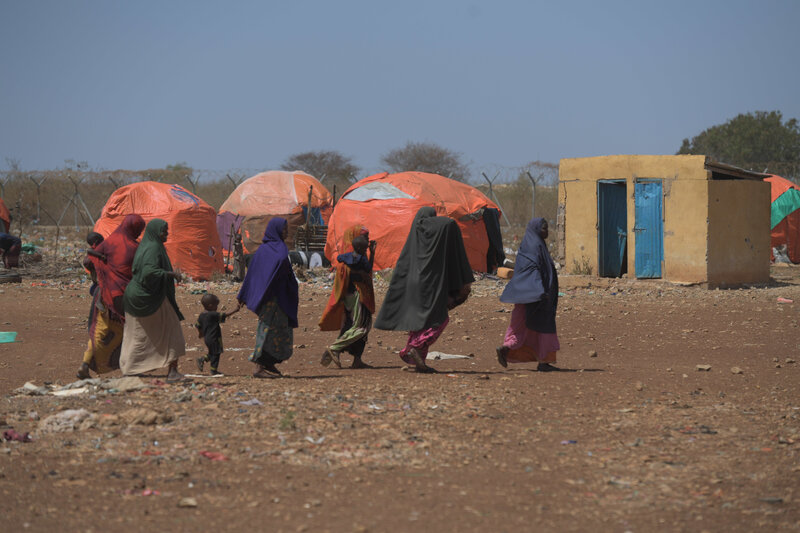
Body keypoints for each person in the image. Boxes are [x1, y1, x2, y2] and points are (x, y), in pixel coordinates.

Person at [374, 207, 474, 373]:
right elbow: (448, 223)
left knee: (419, 321)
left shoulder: (414, 243)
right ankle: (415, 347)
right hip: (431, 285)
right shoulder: (437, 236)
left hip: (414, 285)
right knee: (439, 319)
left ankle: (416, 357)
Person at [119, 218, 187, 382]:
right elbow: (149, 272)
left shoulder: (147, 246)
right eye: (164, 231)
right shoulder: (154, 248)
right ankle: (172, 372)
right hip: (149, 297)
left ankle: (130, 368)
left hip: (137, 295)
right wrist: (171, 274)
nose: (166, 234)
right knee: (172, 330)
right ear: (156, 232)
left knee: (136, 333)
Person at [78, 217, 146, 379]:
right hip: (124, 296)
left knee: (99, 330)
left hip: (103, 295)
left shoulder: (110, 242)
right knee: (129, 331)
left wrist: (104, 267)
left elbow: (89, 260)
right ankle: (130, 368)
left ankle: (85, 364)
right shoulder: (135, 247)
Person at [496, 217, 561, 372]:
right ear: (537, 229)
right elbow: (532, 272)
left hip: (526, 295)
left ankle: (508, 348)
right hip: (536, 296)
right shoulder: (535, 246)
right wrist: (539, 292)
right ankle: (544, 361)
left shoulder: (529, 244)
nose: (546, 231)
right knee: (543, 328)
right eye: (544, 228)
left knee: (521, 326)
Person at [237, 218, 299, 378]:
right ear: (276, 230)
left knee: (280, 331)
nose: (286, 232)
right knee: (267, 331)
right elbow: (255, 276)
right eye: (283, 229)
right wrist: (246, 294)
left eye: (286, 229)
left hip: (281, 300)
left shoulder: (274, 249)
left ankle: (269, 363)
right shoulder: (269, 251)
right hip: (271, 300)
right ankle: (258, 366)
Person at [319, 226, 376, 369]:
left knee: (352, 326)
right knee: (361, 327)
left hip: (357, 297)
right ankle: (335, 348)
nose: (367, 240)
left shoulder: (349, 257)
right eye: (365, 237)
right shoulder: (353, 261)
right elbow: (360, 273)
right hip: (358, 296)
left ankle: (357, 359)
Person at [194, 293, 241, 375]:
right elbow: (225, 315)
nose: (217, 307)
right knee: (216, 353)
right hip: (214, 338)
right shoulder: (213, 314)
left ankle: (202, 359)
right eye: (216, 305)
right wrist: (235, 310)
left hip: (207, 338)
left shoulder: (202, 315)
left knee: (212, 352)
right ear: (210, 305)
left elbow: (198, 326)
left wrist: (200, 334)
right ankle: (213, 370)